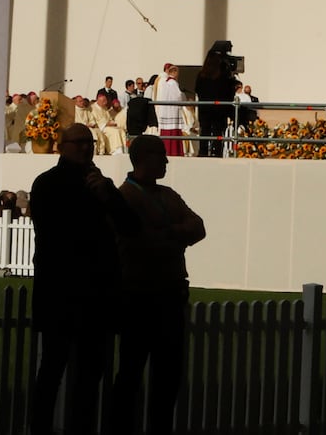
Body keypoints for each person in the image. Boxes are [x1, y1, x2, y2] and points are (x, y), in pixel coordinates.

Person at [29, 124, 138, 435]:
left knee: (91, 374)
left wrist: (107, 196)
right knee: (52, 370)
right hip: (62, 291)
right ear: (62, 146)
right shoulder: (47, 184)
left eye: (89, 143)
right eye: (79, 143)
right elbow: (57, 235)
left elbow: (130, 227)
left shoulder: (101, 185)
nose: (86, 148)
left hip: (97, 295)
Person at [108, 135, 206, 435]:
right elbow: (144, 241)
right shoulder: (126, 197)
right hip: (141, 297)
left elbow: (199, 227)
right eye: (161, 155)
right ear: (145, 158)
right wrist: (176, 234)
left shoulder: (165, 195)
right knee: (132, 374)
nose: (166, 161)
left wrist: (166, 232)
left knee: (167, 376)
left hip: (167, 296)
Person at [154, 70, 185, 157]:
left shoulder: (161, 81)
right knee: (173, 135)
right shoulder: (173, 83)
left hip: (164, 112)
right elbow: (178, 97)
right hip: (173, 113)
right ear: (174, 72)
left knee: (166, 136)